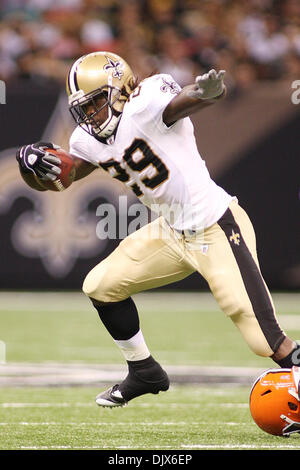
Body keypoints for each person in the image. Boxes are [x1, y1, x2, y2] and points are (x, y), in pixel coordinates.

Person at [16, 51, 300, 408]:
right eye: (83, 109)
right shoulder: (87, 139)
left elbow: (182, 102)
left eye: (96, 103)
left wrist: (206, 93)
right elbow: (65, 178)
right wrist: (35, 167)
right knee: (101, 286)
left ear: (119, 89)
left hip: (215, 224)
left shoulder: (146, 101)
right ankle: (143, 371)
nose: (90, 116)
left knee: (266, 339)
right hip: (172, 232)